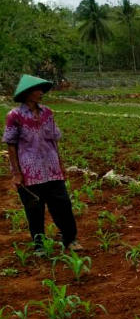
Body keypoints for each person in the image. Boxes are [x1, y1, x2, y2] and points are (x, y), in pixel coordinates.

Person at [2, 74, 82, 252]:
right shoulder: (14, 116)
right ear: (28, 93)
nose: (41, 93)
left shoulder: (47, 112)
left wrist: (60, 164)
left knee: (63, 205)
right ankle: (39, 245)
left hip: (52, 167)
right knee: (34, 210)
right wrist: (16, 173)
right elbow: (11, 145)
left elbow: (54, 140)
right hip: (30, 171)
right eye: (38, 90)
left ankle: (70, 239)